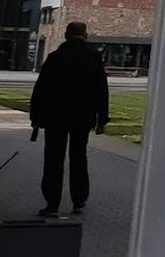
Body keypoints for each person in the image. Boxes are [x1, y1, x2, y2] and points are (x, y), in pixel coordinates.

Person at [30, 22, 108, 218]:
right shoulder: (93, 58)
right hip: (82, 117)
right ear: (86, 35)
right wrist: (102, 118)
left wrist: (36, 116)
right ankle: (79, 199)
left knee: (53, 159)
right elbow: (101, 90)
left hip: (56, 116)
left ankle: (52, 203)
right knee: (78, 157)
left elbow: (41, 89)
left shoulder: (55, 58)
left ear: (66, 35)